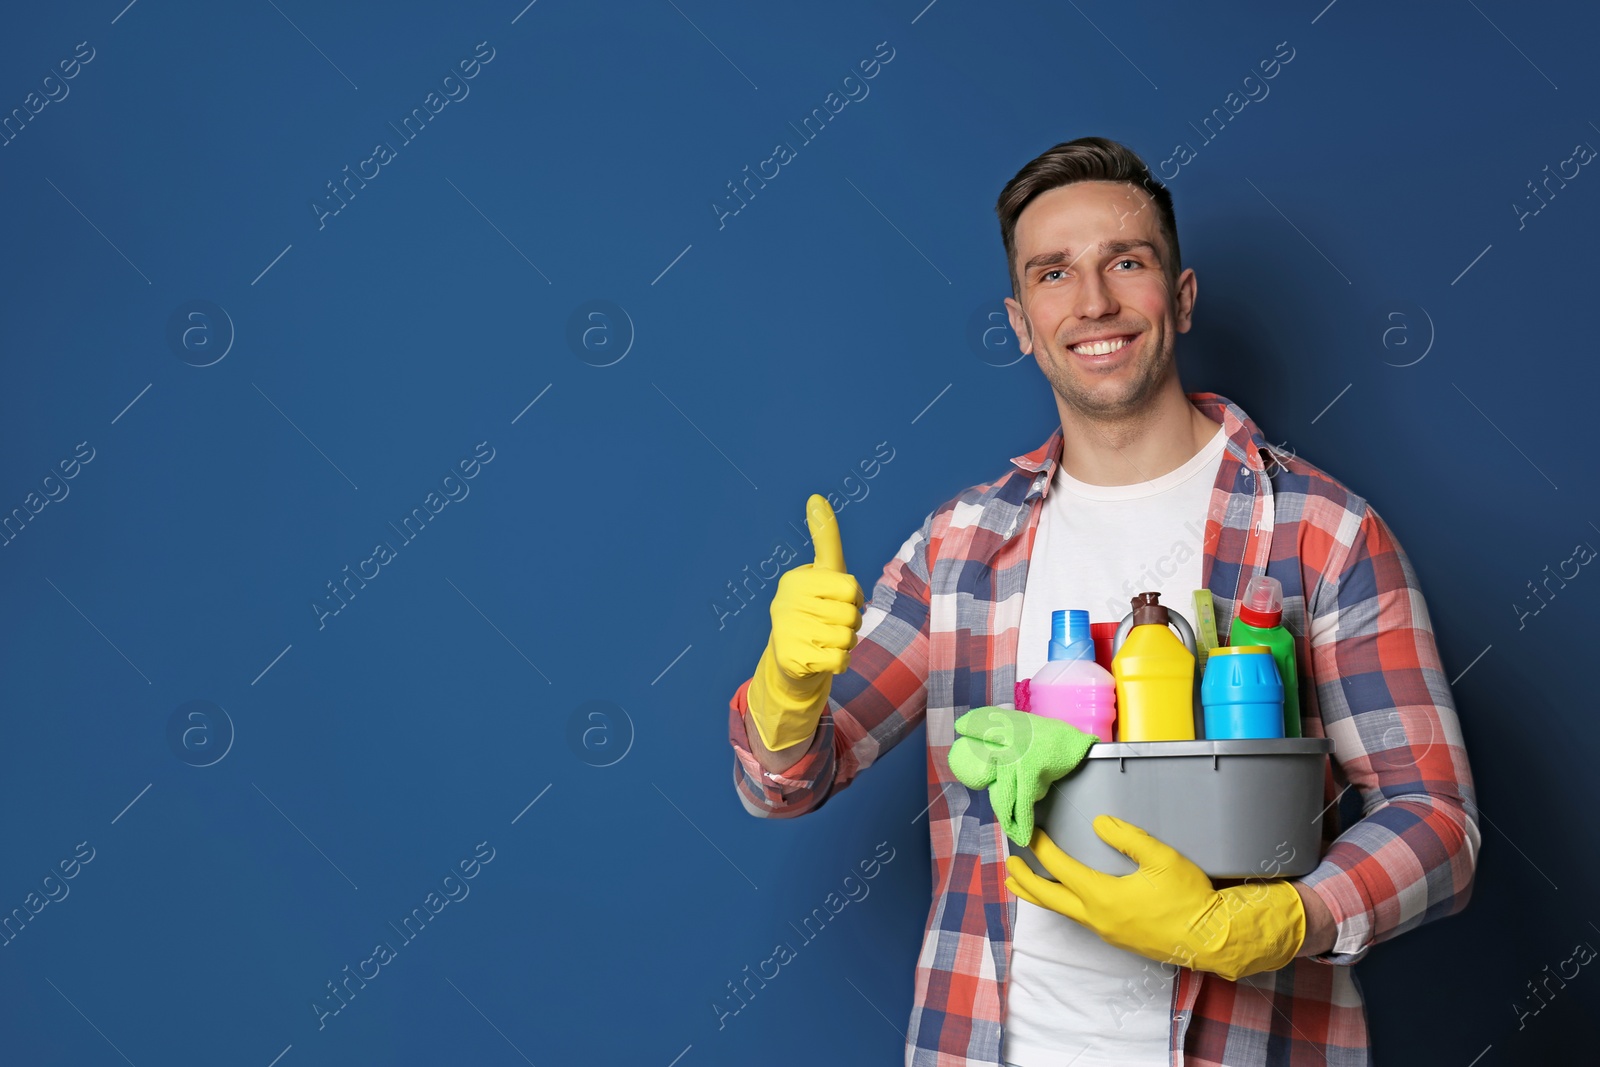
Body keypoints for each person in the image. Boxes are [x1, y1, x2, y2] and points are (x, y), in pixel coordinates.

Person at [723, 136, 1480, 1067]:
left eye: (1127, 262)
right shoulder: (958, 547)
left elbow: (1440, 821)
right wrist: (787, 686)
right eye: (1054, 274)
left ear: (1184, 294)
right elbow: (782, 784)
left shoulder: (1325, 533)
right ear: (1020, 321)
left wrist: (1281, 920)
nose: (1093, 303)